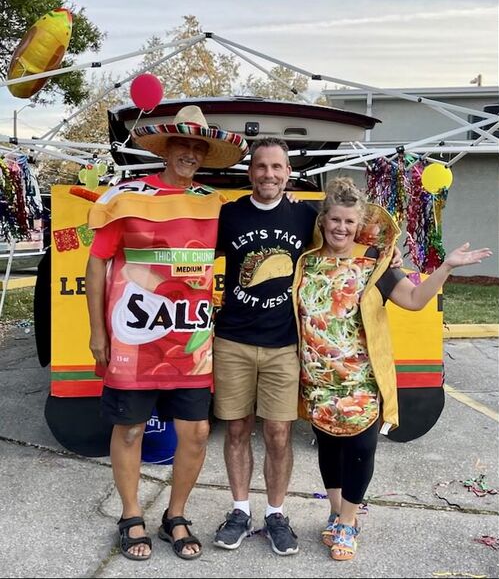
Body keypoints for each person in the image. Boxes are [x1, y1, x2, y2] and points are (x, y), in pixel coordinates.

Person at [212, 137, 401, 556]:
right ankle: (239, 510)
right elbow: (191, 253)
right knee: (237, 429)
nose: (269, 174)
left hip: (284, 344)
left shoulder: (305, 216)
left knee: (279, 433)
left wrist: (392, 255)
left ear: (288, 173)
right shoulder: (229, 214)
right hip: (233, 340)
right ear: (251, 171)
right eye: (262, 166)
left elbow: (350, 229)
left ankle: (276, 514)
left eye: (277, 167)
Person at [293, 176, 492, 562]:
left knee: (360, 449)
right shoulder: (306, 262)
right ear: (323, 220)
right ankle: (335, 512)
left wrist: (447, 267)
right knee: (329, 448)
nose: (341, 228)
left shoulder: (374, 264)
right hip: (317, 381)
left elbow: (415, 300)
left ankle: (348, 521)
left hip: (362, 380)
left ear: (358, 225)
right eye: (335, 219)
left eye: (349, 222)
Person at [85, 105, 248, 562]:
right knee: (130, 430)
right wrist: (97, 332)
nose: (191, 153)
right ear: (166, 148)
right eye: (183, 144)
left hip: (190, 340)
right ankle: (131, 515)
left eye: (199, 147)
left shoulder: (214, 203)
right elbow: (97, 263)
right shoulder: (126, 197)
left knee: (196, 432)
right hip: (133, 338)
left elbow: (263, 235)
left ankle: (175, 514)